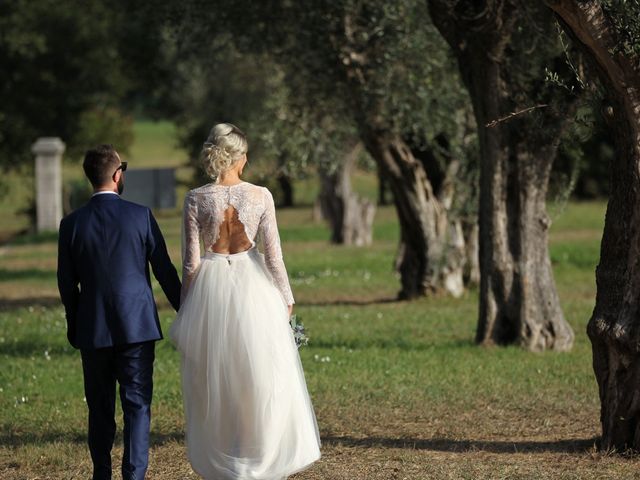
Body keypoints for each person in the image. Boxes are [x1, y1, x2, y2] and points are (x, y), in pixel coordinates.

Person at [170, 123, 320, 479]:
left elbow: (190, 262)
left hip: (211, 288)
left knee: (218, 380)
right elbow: (274, 256)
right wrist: (286, 298)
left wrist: (187, 306)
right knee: (262, 375)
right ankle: (260, 455)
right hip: (255, 290)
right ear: (239, 159)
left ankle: (229, 453)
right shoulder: (261, 195)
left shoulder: (196, 198)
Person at [57, 145, 182, 480]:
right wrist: (186, 310)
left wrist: (74, 323)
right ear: (117, 175)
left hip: (92, 328)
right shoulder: (141, 215)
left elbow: (66, 284)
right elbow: (164, 271)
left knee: (99, 409)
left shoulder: (71, 224)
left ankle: (102, 474)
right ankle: (134, 475)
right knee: (137, 404)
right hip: (137, 327)